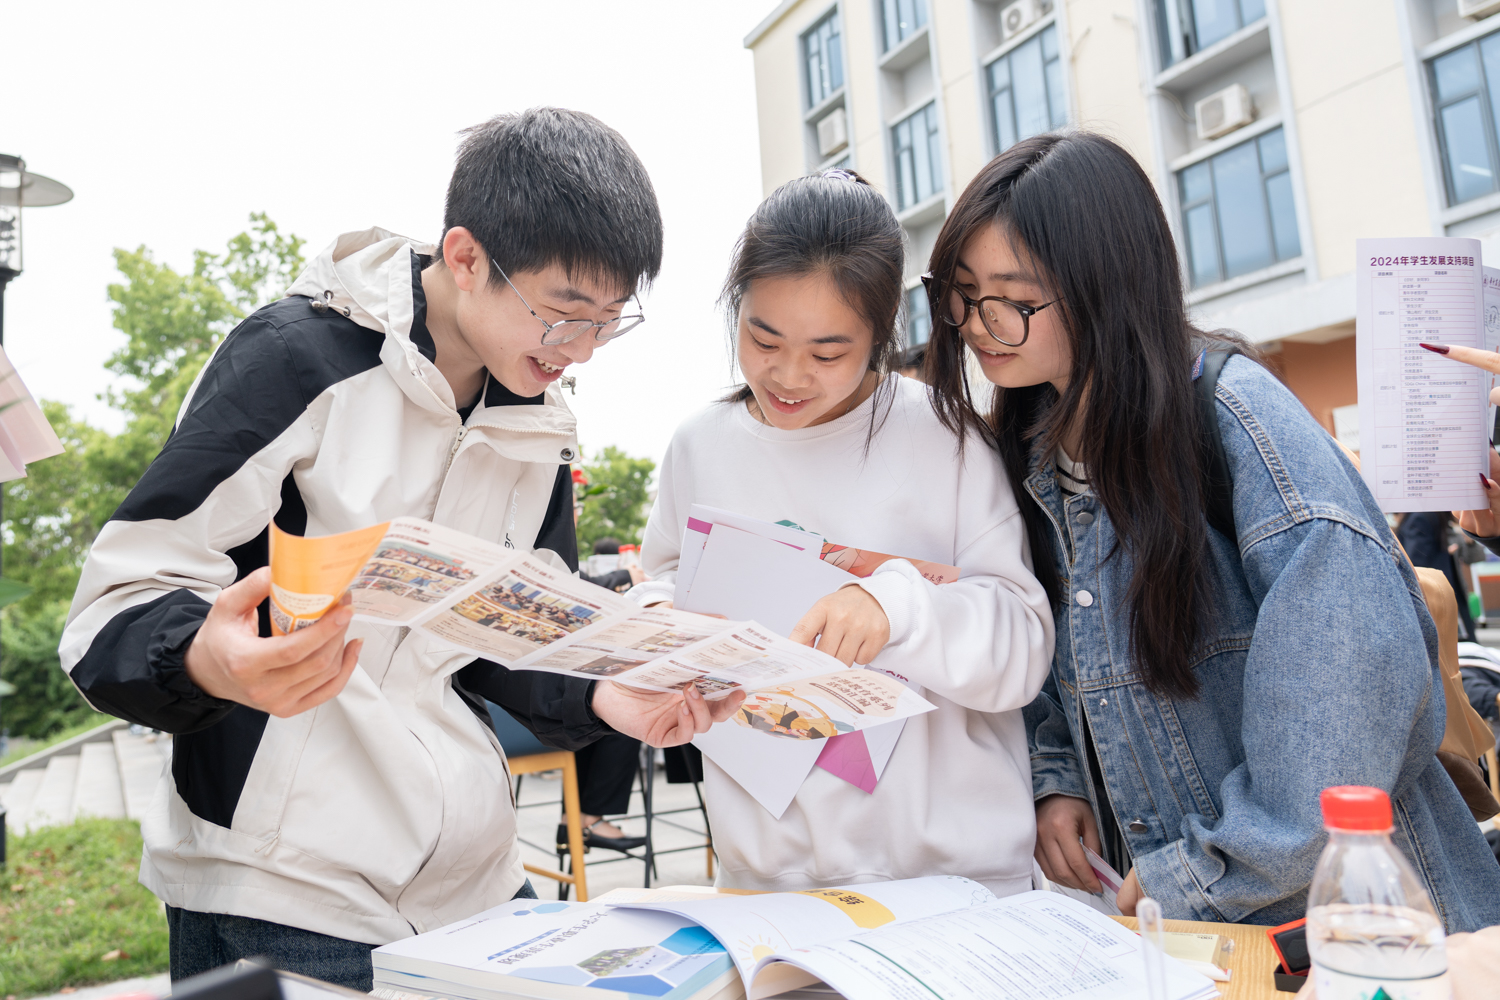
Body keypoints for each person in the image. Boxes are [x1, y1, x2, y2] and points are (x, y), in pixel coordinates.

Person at [58, 108, 742, 989]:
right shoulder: (296, 361)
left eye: (608, 322)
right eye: (561, 314)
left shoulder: (534, 417)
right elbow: (114, 603)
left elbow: (517, 633)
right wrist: (207, 658)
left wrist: (611, 693)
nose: (580, 352)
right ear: (464, 257)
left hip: (480, 878)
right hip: (285, 887)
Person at [919, 130, 1500, 930]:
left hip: (1355, 932)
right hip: (1198, 936)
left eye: (1012, 300)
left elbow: (1338, 736)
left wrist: (1192, 875)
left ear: (1103, 285)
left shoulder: (1238, 424)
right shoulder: (1029, 450)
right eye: (959, 293)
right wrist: (1060, 780)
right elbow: (1052, 646)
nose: (978, 325)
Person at [627, 169, 1054, 894]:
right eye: (762, 339)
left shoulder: (944, 436)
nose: (788, 375)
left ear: (881, 335)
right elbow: (663, 586)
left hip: (955, 886)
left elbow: (1021, 645)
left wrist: (898, 608)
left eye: (828, 353)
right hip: (772, 886)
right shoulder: (701, 446)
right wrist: (654, 624)